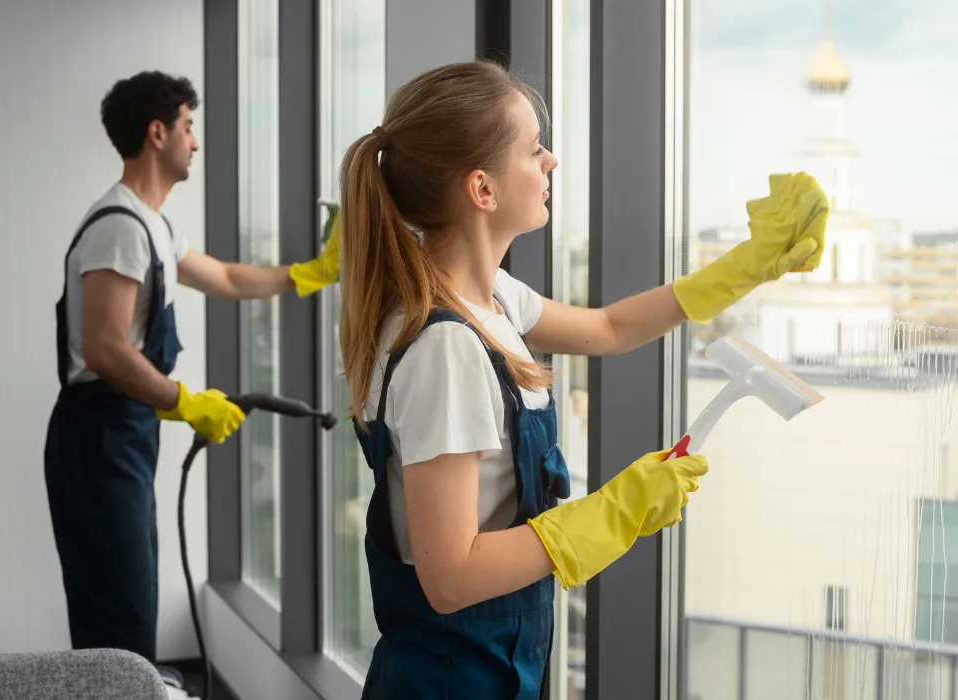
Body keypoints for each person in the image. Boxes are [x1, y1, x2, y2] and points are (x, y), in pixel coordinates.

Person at [337, 61, 828, 699]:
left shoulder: (489, 302)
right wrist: (614, 512)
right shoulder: (447, 348)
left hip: (492, 668)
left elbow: (608, 328)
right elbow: (449, 575)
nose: (552, 162)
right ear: (482, 190)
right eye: (533, 149)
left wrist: (748, 265)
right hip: (451, 680)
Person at [44, 70, 337, 668]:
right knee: (118, 611)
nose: (196, 142)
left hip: (122, 433)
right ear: (159, 133)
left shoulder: (153, 225)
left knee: (130, 598)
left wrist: (311, 273)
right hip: (99, 436)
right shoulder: (120, 228)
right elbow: (104, 349)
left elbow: (226, 278)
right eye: (189, 126)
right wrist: (184, 401)